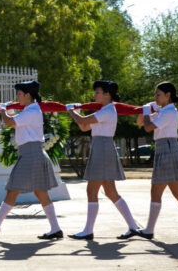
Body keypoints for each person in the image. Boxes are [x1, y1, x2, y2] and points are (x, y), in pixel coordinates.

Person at [0, 81, 63, 240]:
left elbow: (10, 122)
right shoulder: (31, 109)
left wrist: (3, 110)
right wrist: (7, 111)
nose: (17, 97)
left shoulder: (31, 110)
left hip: (31, 154)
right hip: (32, 153)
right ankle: (56, 228)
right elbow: (15, 121)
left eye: (19, 94)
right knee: (40, 192)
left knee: (13, 189)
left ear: (28, 95)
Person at [66, 80, 139, 240]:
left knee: (92, 190)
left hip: (102, 148)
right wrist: (74, 113)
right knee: (110, 192)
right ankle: (133, 226)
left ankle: (88, 231)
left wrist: (70, 110)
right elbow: (84, 127)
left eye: (98, 92)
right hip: (101, 147)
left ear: (107, 94)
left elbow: (83, 121)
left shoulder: (107, 110)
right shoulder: (103, 111)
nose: (95, 95)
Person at [134, 81, 178, 240]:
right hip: (164, 148)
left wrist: (146, 113)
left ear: (168, 95)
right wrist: (145, 110)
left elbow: (148, 127)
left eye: (158, 94)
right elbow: (139, 122)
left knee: (156, 191)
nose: (155, 97)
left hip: (167, 149)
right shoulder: (161, 109)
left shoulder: (169, 112)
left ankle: (149, 230)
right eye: (155, 95)